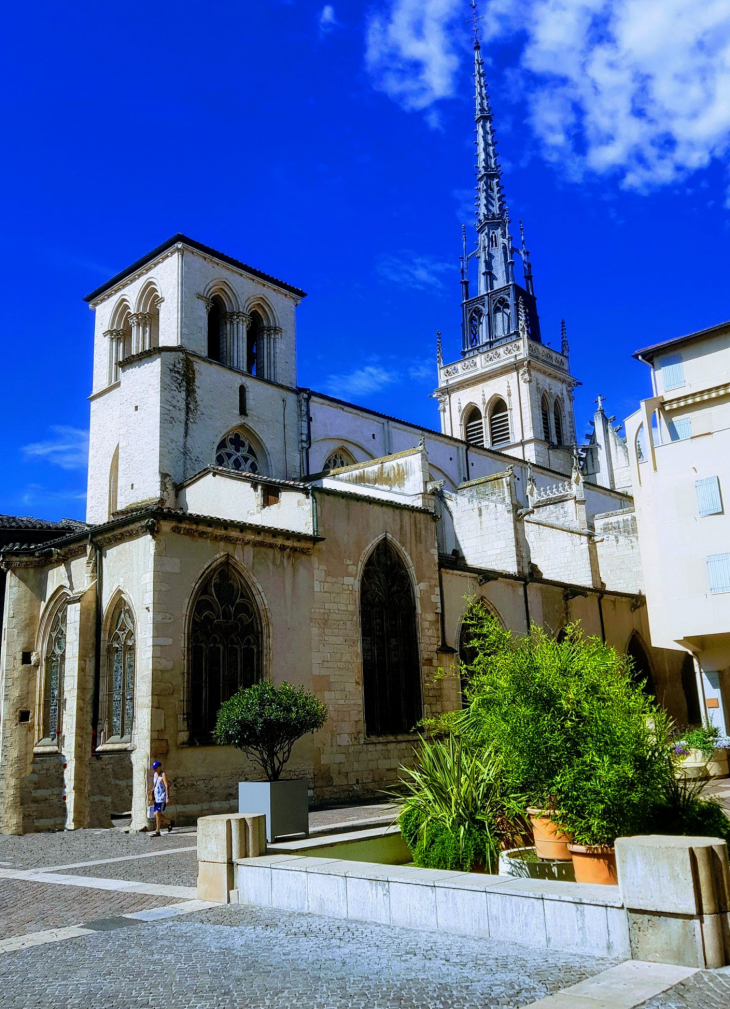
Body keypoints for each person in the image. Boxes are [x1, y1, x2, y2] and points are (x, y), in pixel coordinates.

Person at [149, 760, 174, 836]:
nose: (154, 769)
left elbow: (166, 786)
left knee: (157, 813)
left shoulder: (163, 774)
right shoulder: (155, 775)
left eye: (156, 768)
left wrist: (167, 797)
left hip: (162, 797)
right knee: (155, 814)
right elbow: (155, 784)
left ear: (159, 767)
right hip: (156, 797)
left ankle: (157, 831)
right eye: (154, 768)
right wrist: (151, 794)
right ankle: (169, 822)